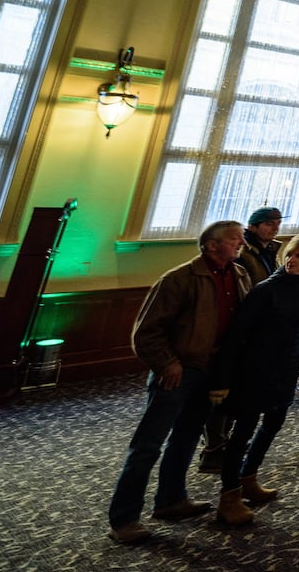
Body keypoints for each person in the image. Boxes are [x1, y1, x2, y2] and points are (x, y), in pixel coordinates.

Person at [107, 221, 249, 545]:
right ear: (211, 245)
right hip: (179, 372)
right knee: (147, 446)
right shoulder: (179, 279)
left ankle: (171, 500)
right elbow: (146, 333)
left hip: (211, 371)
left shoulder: (238, 275)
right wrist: (167, 364)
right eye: (233, 239)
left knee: (185, 439)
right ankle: (124, 518)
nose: (241, 243)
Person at [209, 232, 299, 525]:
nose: (291, 259)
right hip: (256, 366)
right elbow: (237, 335)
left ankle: (249, 476)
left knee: (274, 423)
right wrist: (223, 377)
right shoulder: (267, 289)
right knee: (243, 431)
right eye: (290, 253)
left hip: (287, 365)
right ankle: (229, 495)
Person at [202, 205, 284, 474]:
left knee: (237, 392)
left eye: (277, 223)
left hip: (255, 331)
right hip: (235, 330)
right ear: (254, 225)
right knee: (221, 394)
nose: (275, 227)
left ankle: (225, 442)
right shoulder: (244, 255)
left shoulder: (270, 251)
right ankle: (214, 447)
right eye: (269, 223)